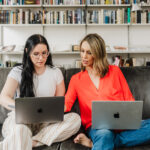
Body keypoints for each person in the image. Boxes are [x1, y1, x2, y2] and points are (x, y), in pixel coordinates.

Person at [65, 33, 150, 150]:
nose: (84, 56)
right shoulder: (76, 79)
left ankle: (99, 143)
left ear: (98, 54)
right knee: (104, 134)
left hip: (122, 125)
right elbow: (67, 104)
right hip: (98, 128)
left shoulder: (115, 72)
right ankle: (105, 140)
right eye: (82, 51)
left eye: (89, 52)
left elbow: (129, 100)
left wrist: (131, 119)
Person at [0, 34, 81, 150]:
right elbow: (3, 97)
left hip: (45, 123)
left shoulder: (55, 72)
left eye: (44, 53)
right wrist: (20, 108)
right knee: (20, 130)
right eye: (36, 54)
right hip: (20, 119)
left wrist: (54, 112)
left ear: (48, 52)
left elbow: (60, 102)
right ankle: (23, 137)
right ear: (27, 52)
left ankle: (31, 141)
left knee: (75, 119)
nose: (41, 58)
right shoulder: (17, 71)